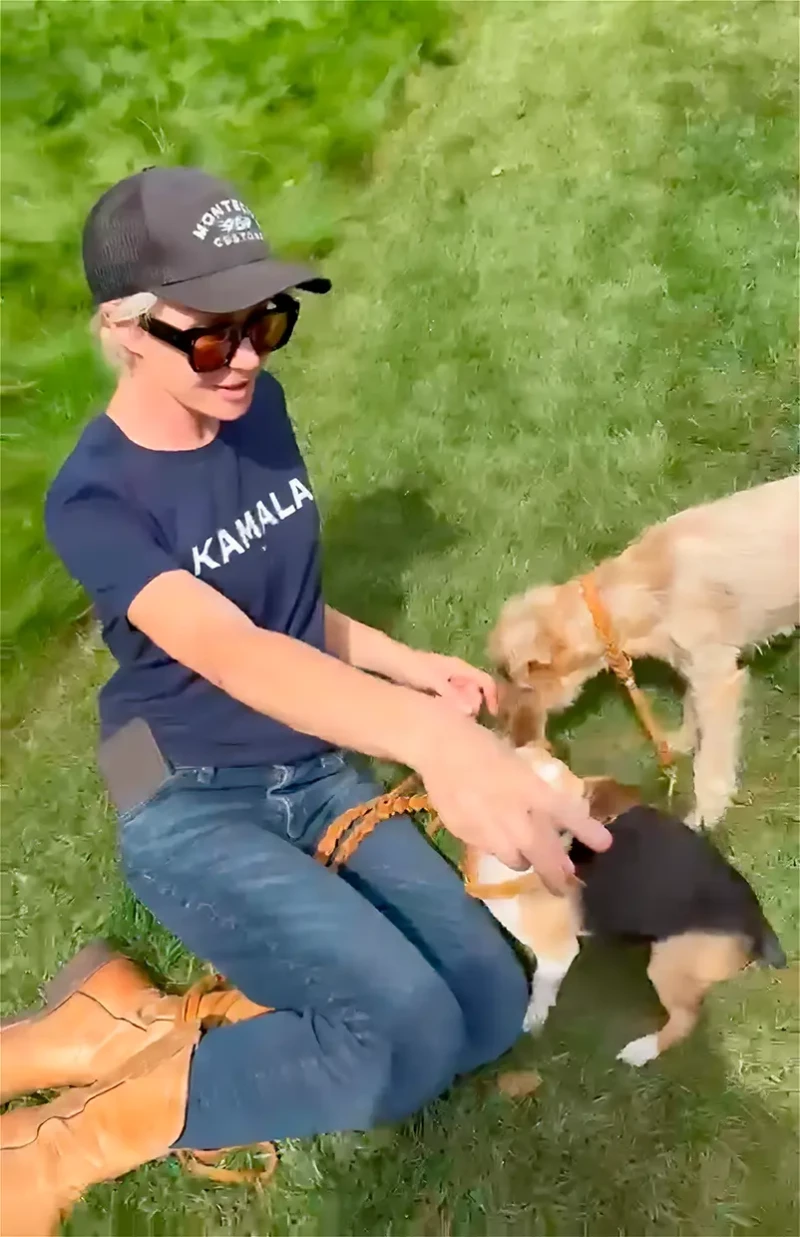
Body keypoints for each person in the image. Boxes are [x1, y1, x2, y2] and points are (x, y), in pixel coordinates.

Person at [0, 166, 610, 1233]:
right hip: (189, 798)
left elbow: (280, 607)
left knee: (485, 1007)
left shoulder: (256, 411)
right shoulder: (93, 501)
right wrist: (431, 740)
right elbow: (231, 649)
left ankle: (117, 1022)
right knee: (398, 1039)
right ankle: (60, 1138)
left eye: (265, 321)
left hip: (314, 768)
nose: (243, 358)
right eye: (208, 335)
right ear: (123, 329)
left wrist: (403, 663)